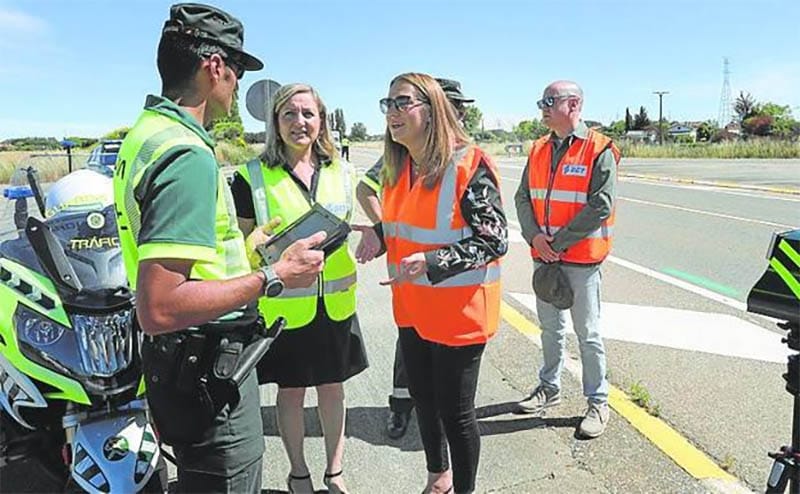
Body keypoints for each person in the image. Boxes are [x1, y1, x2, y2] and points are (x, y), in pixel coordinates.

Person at [112, 4, 325, 492]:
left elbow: (172, 257)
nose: (236, 86)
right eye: (237, 71)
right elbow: (160, 306)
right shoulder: (187, 154)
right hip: (207, 366)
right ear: (214, 67)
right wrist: (274, 275)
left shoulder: (147, 133)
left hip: (182, 366)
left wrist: (245, 250)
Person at [361, 72, 507, 494]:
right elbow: (409, 223)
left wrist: (431, 261)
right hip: (412, 307)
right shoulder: (398, 166)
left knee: (455, 414)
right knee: (423, 400)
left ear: (432, 110)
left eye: (402, 102)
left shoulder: (468, 163)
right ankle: (437, 478)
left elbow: (494, 240)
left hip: (459, 313)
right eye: (388, 103)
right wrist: (380, 234)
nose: (392, 112)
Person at [229, 83, 368, 494]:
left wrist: (374, 233)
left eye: (308, 113)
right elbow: (240, 246)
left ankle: (335, 472)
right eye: (288, 114)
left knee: (332, 389)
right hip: (285, 309)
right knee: (291, 393)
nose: (299, 122)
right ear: (275, 123)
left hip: (335, 305)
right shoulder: (251, 176)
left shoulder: (343, 171)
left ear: (322, 120)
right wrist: (257, 249)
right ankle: (298, 473)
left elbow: (355, 220)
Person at [354, 78, 476, 441]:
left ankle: (441, 417)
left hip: (452, 283)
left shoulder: (465, 157)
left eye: (461, 107)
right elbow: (365, 188)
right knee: (409, 352)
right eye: (453, 105)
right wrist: (385, 230)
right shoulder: (405, 153)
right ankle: (401, 407)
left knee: (450, 374)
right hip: (413, 279)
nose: (459, 113)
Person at [513, 80, 620, 439]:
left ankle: (598, 402)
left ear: (573, 105)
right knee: (550, 329)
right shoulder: (538, 149)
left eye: (550, 101)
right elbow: (523, 197)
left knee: (588, 334)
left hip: (579, 261)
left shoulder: (600, 149)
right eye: (541, 101)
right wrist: (535, 237)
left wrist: (556, 244)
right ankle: (549, 387)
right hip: (545, 257)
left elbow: (601, 205)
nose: (542, 108)